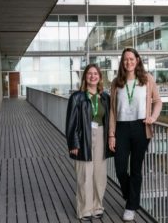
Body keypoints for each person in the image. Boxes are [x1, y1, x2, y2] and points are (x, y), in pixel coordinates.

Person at [108, 47, 162, 221]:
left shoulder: (147, 79)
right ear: (122, 62)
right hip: (122, 128)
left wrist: (153, 117)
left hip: (141, 127)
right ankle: (131, 197)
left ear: (137, 60)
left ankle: (131, 207)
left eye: (131, 59)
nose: (128, 62)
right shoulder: (117, 82)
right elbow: (112, 111)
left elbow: (158, 101)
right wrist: (111, 134)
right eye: (125, 59)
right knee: (120, 167)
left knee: (136, 169)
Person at [65, 64, 114, 221]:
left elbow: (110, 120)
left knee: (99, 174)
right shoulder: (77, 97)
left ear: (99, 76)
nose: (93, 76)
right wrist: (73, 143)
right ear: (85, 77)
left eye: (95, 73)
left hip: (101, 135)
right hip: (83, 136)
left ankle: (97, 206)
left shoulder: (105, 97)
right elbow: (71, 122)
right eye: (89, 74)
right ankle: (84, 209)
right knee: (85, 174)